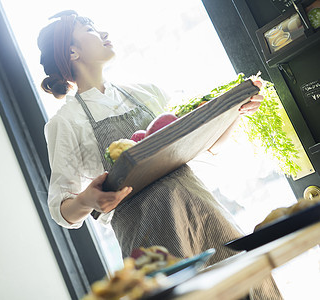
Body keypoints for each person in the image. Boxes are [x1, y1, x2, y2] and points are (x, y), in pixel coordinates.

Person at [38, 10, 282, 299]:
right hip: (152, 242)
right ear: (72, 51)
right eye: (89, 28)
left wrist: (234, 113)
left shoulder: (146, 93)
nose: (103, 33)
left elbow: (205, 145)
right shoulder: (65, 122)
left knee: (253, 287)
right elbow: (61, 209)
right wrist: (86, 200)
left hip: (203, 212)